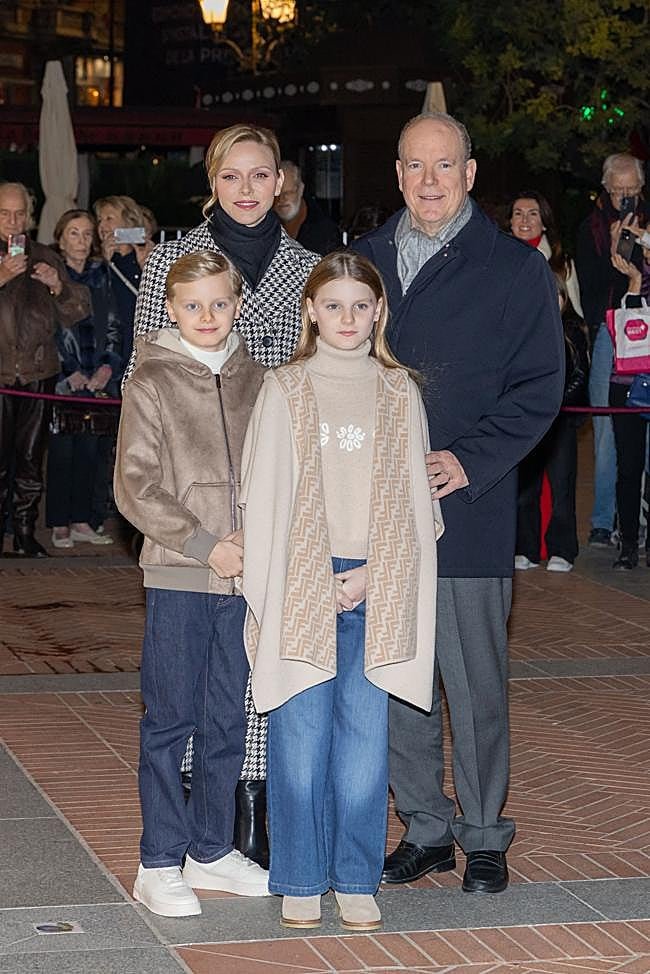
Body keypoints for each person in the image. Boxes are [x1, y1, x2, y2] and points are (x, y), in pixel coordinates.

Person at [353, 111, 564, 894]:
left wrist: (467, 462)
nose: (431, 181)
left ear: (470, 174)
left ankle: (483, 836)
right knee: (399, 680)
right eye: (416, 166)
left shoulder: (513, 269)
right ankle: (427, 828)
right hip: (374, 517)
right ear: (398, 174)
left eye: (446, 166)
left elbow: (540, 386)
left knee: (474, 687)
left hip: (466, 512)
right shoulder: (365, 262)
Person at [128, 123, 320, 870]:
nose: (247, 189)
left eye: (261, 175)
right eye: (232, 175)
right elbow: (141, 379)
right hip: (194, 503)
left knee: (254, 658)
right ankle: (188, 827)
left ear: (281, 183)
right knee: (188, 681)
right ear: (213, 180)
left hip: (276, 488)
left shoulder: (305, 268)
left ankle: (247, 804)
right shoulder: (170, 261)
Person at [240, 251, 442, 930]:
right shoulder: (286, 388)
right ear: (311, 311)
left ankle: (355, 875)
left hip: (374, 578)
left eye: (361, 305)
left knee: (363, 743)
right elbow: (262, 495)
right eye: (333, 305)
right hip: (302, 576)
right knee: (298, 739)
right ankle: (299, 875)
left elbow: (416, 504)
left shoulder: (398, 390)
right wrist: (306, 579)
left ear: (379, 312)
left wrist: (373, 575)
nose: (348, 318)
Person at [113, 250, 269, 917]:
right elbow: (134, 486)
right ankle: (158, 859)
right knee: (171, 716)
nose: (208, 317)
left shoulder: (261, 380)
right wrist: (208, 546)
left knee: (226, 715)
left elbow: (277, 474)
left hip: (244, 576)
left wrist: (254, 543)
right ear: (170, 309)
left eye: (220, 303)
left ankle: (210, 847)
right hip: (181, 572)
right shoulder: (151, 381)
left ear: (238, 305)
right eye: (193, 305)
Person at [0, 182, 90, 557]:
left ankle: (24, 531)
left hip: (38, 375)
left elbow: (79, 311)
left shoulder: (45, 256)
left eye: (20, 213)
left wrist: (58, 288)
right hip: (2, 377)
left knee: (31, 461)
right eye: (4, 213)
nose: (13, 221)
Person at [575, 154, 648, 548]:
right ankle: (603, 519)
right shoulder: (592, 228)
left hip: (647, 330)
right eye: (618, 190)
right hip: (610, 330)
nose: (624, 197)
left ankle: (638, 518)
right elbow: (591, 285)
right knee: (605, 427)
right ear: (606, 189)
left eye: (631, 190)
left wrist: (640, 247)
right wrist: (617, 249)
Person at [46, 209, 123, 549]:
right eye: (74, 233)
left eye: (87, 234)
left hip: (97, 378)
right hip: (65, 378)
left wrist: (107, 366)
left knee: (91, 452)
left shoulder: (101, 272)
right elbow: (49, 329)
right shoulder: (50, 274)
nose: (81, 240)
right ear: (61, 237)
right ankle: (59, 522)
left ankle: (82, 520)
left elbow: (113, 325)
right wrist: (69, 370)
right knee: (62, 453)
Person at [515, 275, 590, 572]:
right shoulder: (524, 329)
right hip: (530, 422)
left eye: (555, 294)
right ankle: (527, 548)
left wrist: (555, 406)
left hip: (561, 421)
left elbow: (580, 374)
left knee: (562, 487)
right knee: (526, 489)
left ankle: (563, 549)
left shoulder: (573, 329)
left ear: (563, 297)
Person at [607, 222, 650, 570]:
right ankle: (628, 544)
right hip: (626, 384)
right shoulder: (625, 273)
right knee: (629, 466)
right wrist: (634, 283)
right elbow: (627, 334)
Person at [508, 190, 583, 316]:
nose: (524, 220)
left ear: (544, 223)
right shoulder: (496, 259)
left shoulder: (561, 263)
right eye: (518, 214)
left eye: (533, 214)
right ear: (510, 222)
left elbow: (576, 311)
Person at [95, 195, 148, 370]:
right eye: (100, 220)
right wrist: (105, 264)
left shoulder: (147, 258)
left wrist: (148, 267)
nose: (102, 226)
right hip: (111, 352)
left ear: (130, 223)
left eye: (109, 219)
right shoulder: (96, 263)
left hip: (142, 349)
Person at [274, 160, 342, 256]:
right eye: (277, 194)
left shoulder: (325, 232)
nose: (282, 199)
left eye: (288, 192)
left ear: (301, 189)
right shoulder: (262, 226)